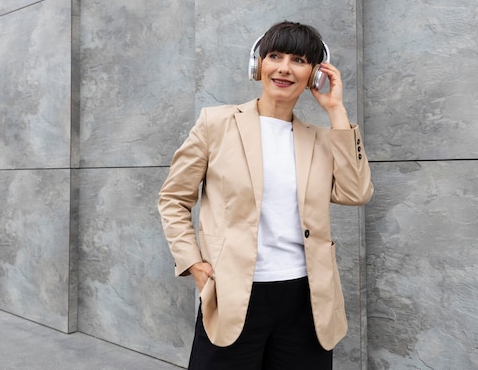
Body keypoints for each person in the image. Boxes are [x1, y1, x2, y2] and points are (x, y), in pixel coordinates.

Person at [158, 21, 374, 370]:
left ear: (315, 74)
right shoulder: (215, 123)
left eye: (299, 60)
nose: (285, 68)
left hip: (306, 299)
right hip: (233, 293)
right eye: (275, 56)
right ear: (258, 64)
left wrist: (336, 111)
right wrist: (192, 263)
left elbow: (357, 191)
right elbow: (173, 198)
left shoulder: (320, 139)